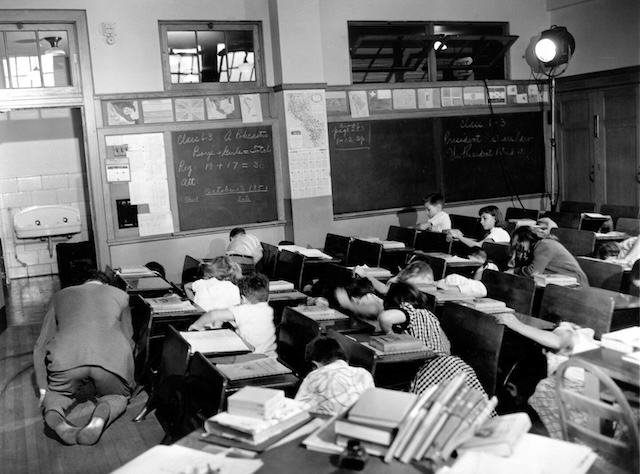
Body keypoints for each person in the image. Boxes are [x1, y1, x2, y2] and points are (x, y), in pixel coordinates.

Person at [33, 270, 134, 446]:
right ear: (107, 285)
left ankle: (54, 412)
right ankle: (103, 412)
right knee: (117, 396)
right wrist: (128, 381)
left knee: (57, 393)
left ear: (84, 283)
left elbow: (41, 345)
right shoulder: (121, 296)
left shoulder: (59, 296)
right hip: (110, 359)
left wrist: (43, 389)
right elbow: (129, 339)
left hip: (66, 359)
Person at [493, 312, 600, 438]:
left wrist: (516, 324)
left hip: (587, 386)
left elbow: (557, 342)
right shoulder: (584, 337)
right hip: (595, 383)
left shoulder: (564, 330)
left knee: (543, 390)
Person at [188, 272, 276, 356]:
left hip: (253, 356)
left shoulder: (245, 310)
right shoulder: (268, 310)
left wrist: (196, 326)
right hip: (268, 354)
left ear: (243, 299)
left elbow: (213, 314)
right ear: (268, 298)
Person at [294, 336, 375, 415]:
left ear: (314, 366)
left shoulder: (314, 376)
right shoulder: (364, 374)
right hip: (365, 425)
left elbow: (296, 412)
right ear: (346, 360)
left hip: (331, 426)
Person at [378, 281, 451, 356]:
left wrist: (390, 334)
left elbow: (385, 318)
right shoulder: (429, 314)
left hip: (430, 362)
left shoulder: (409, 311)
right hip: (449, 361)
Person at [508, 226, 589, 287]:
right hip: (558, 278)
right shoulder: (536, 247)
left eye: (518, 245)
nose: (519, 250)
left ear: (527, 239)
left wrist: (515, 271)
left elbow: (533, 272)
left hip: (575, 281)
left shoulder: (544, 246)